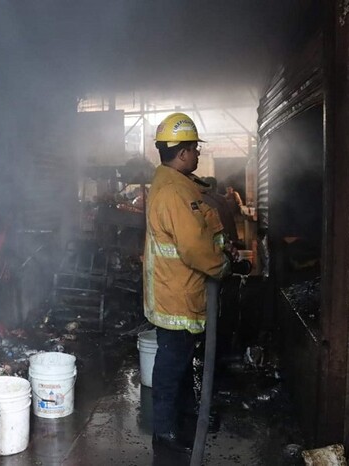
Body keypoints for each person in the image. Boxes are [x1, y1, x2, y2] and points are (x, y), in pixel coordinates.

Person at [144, 112, 231, 455]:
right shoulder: (174, 193)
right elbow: (194, 247)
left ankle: (181, 419)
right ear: (181, 153)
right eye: (194, 149)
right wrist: (221, 266)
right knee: (171, 366)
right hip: (176, 296)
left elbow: (200, 229)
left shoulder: (177, 185)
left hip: (178, 291)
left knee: (177, 363)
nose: (197, 155)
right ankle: (164, 432)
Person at [202, 176, 239, 244]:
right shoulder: (221, 199)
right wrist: (234, 239)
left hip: (205, 238)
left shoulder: (198, 198)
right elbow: (230, 219)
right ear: (215, 187)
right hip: (221, 236)